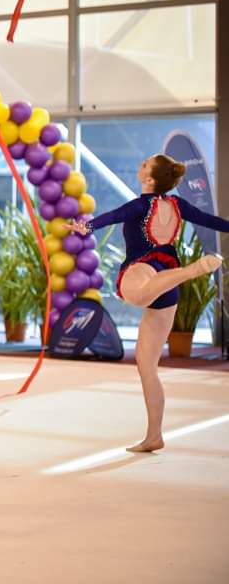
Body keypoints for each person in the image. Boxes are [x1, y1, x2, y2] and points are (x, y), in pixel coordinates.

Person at [69, 154, 226, 453]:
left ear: (150, 179)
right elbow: (209, 221)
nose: (140, 166)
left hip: (145, 269)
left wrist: (86, 227)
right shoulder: (177, 205)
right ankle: (154, 436)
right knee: (146, 365)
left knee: (133, 294)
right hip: (167, 283)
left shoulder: (140, 205)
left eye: (144, 165)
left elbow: (112, 216)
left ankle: (190, 271)